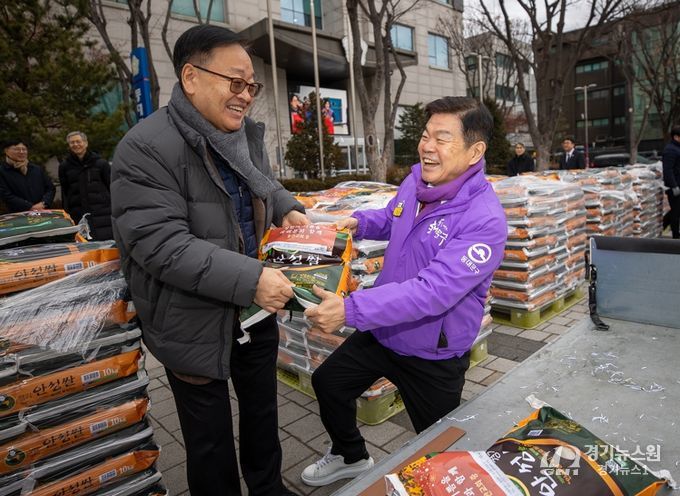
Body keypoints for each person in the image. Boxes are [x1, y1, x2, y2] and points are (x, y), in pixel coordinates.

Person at [110, 25, 307, 496]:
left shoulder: (244, 136)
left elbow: (261, 181)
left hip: (253, 311)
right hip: (191, 317)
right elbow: (162, 245)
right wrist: (254, 278)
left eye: (251, 86)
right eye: (235, 82)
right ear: (191, 77)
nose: (245, 96)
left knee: (263, 414)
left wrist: (286, 206)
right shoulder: (144, 147)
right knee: (209, 440)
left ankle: (268, 488)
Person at [300, 97, 508, 487]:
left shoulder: (485, 220)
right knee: (329, 382)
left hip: (432, 352)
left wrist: (350, 310)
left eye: (442, 139)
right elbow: (392, 216)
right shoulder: (416, 183)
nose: (427, 146)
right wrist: (357, 222)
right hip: (384, 329)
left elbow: (433, 292)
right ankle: (350, 455)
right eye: (425, 135)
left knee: (440, 449)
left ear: (474, 151)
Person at [58, 131, 113, 240]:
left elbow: (111, 186)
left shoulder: (101, 163)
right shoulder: (64, 167)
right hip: (78, 215)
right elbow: (65, 192)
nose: (75, 144)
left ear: (86, 143)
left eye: (78, 141)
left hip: (103, 214)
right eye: (72, 142)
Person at [0, 139, 55, 213]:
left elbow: (50, 188)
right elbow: (5, 194)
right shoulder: (2, 171)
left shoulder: (36, 169)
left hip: (42, 211)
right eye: (17, 149)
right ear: (6, 151)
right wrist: (30, 206)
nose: (21, 152)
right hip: (17, 214)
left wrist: (44, 203)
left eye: (24, 149)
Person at [662, 125, 680, 238]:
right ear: (676, 137)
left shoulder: (677, 148)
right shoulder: (670, 150)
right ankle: (675, 236)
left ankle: (663, 225)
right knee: (676, 212)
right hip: (675, 187)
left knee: (676, 211)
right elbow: (668, 170)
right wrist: (674, 186)